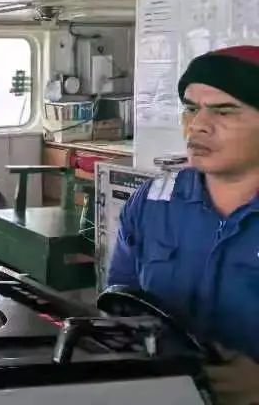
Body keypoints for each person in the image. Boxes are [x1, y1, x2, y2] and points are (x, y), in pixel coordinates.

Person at [108, 45, 259, 403]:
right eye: (191, 108)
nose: (197, 125)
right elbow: (121, 302)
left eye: (224, 111)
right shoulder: (152, 201)